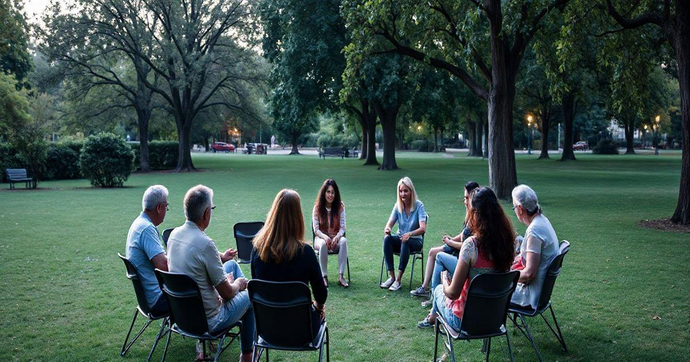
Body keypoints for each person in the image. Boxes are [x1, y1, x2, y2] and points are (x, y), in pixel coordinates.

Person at [167, 185, 254, 362]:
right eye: (212, 209)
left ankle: (206, 347)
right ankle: (247, 355)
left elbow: (194, 277)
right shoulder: (205, 244)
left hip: (184, 315)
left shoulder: (174, 235)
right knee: (251, 293)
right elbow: (228, 293)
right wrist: (237, 284)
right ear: (206, 213)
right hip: (210, 320)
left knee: (231, 265)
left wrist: (226, 282)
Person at [418, 187, 516, 329]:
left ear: (475, 213)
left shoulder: (472, 245)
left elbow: (452, 293)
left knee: (439, 289)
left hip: (466, 322)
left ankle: (432, 317)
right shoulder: (508, 242)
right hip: (494, 320)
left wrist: (445, 279)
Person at [251, 189, 327, 335]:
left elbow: (257, 284)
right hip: (302, 331)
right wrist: (318, 308)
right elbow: (321, 294)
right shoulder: (306, 252)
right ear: (297, 217)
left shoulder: (257, 250)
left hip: (267, 329)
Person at [411, 181, 480, 300]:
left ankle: (432, 295)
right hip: (461, 250)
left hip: (463, 257)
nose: (464, 201)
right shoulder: (471, 215)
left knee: (437, 256)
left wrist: (450, 242)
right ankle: (427, 288)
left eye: (466, 198)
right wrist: (452, 239)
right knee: (433, 252)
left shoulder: (476, 219)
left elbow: (467, 246)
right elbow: (464, 234)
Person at [510, 185, 560, 310]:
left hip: (530, 296)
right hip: (541, 293)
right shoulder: (542, 221)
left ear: (520, 209)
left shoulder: (535, 232)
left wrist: (505, 277)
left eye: (514, 207)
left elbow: (529, 274)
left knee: (490, 288)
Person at [125, 185, 170, 315]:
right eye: (166, 206)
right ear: (159, 208)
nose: (167, 210)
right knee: (201, 290)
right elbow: (164, 266)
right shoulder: (146, 229)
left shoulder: (138, 223)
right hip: (158, 300)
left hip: (146, 299)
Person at [381, 177, 428, 291]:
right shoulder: (398, 206)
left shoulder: (419, 206)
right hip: (401, 238)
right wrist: (387, 229)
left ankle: (398, 280)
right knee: (387, 239)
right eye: (401, 191)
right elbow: (389, 224)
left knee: (405, 241)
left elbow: (423, 229)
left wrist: (410, 234)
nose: (403, 194)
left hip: (415, 240)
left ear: (411, 191)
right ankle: (391, 277)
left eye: (406, 191)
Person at [312, 179, 349, 288]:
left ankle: (341, 276)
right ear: (324, 193)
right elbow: (316, 230)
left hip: (335, 239)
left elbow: (343, 228)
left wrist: (337, 237)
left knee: (343, 241)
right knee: (323, 244)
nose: (330, 195)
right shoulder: (317, 208)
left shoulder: (340, 207)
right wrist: (325, 237)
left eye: (333, 192)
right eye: (328, 192)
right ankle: (324, 276)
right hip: (321, 239)